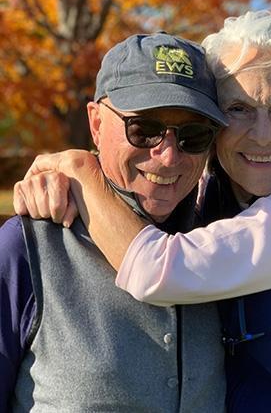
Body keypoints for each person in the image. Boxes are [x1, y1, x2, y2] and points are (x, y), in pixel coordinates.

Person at [13, 11, 271, 411]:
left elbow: (158, 270)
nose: (263, 134)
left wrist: (78, 169)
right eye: (239, 109)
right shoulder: (211, 187)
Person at [0, 32, 229, 411]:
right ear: (95, 123)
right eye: (143, 129)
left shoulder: (225, 243)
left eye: (194, 135)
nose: (169, 156)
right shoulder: (27, 248)